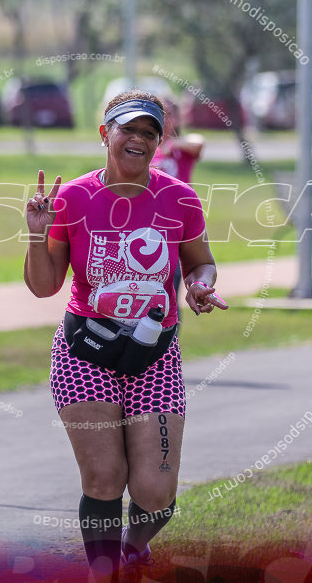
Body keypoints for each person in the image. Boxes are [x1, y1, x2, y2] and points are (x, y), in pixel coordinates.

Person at [24, 90, 228, 581]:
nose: (138, 139)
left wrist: (200, 286)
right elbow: (44, 286)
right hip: (85, 351)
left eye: (149, 133)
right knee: (104, 477)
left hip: (155, 353)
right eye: (128, 129)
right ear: (105, 134)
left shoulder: (179, 198)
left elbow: (200, 261)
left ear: (159, 143)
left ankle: (133, 548)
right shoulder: (73, 197)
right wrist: (36, 233)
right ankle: (104, 570)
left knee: (156, 493)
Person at [153, 96, 205, 306]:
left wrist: (171, 142)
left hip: (177, 224)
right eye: (160, 115)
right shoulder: (147, 151)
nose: (165, 120)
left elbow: (199, 142)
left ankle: (169, 334)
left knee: (171, 288)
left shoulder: (180, 150)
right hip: (151, 224)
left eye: (169, 114)